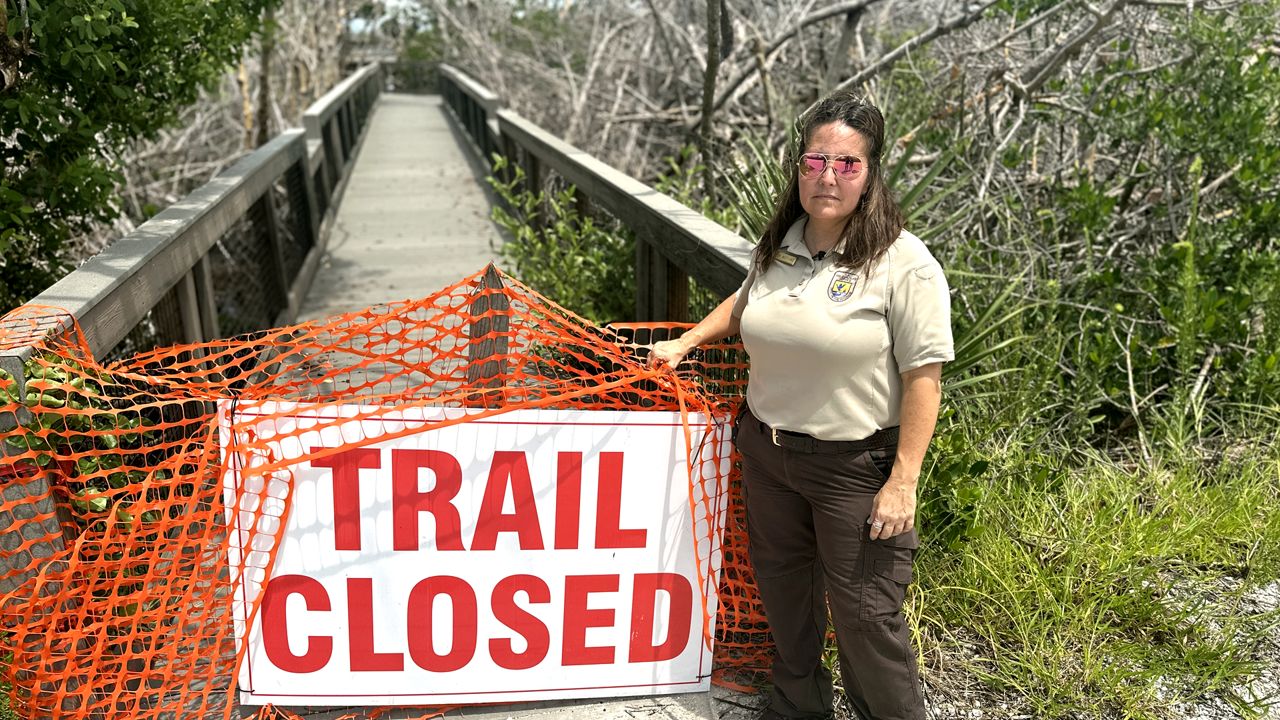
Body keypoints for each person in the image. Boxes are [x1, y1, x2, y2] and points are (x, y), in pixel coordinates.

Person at [648, 92, 952, 720]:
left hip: (855, 468)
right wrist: (688, 340)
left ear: (870, 175)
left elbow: (925, 377)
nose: (828, 177)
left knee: (867, 618)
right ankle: (797, 708)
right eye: (816, 161)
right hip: (768, 451)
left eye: (847, 164)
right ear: (799, 166)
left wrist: (904, 481)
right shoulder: (780, 242)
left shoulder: (903, 263)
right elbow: (747, 301)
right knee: (784, 597)